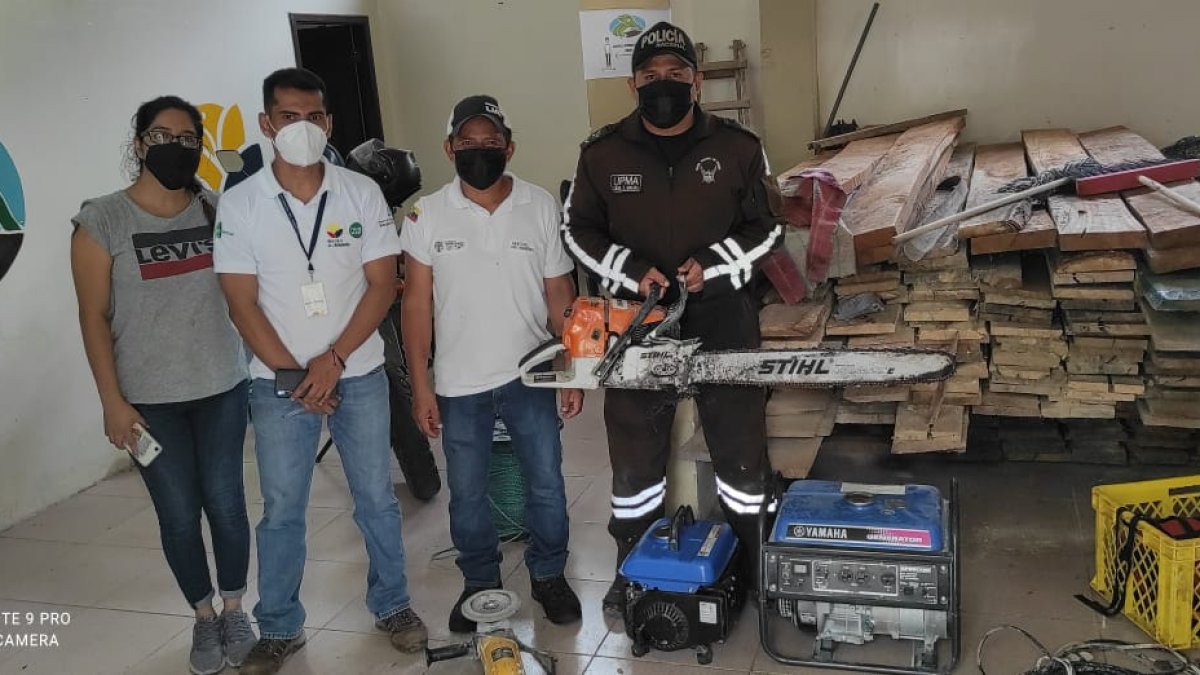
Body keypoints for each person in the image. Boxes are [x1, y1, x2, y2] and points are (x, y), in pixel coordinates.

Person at [560, 22, 786, 615]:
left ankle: (754, 565)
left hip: (723, 316)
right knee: (635, 458)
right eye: (652, 75)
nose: (664, 84)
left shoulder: (739, 147)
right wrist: (632, 270)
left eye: (676, 73)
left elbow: (768, 228)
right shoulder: (602, 153)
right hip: (636, 322)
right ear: (633, 83)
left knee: (741, 451)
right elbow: (577, 231)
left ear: (697, 81)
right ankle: (632, 565)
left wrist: (715, 264)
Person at [212, 67, 427, 674]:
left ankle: (393, 605)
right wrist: (294, 378)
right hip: (277, 384)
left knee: (377, 500)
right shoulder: (241, 203)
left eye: (313, 117)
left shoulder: (361, 193)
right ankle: (280, 625)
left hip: (357, 372)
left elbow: (382, 285)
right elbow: (240, 302)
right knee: (282, 508)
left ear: (328, 123)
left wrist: (332, 362)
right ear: (266, 124)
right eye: (288, 116)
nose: (301, 127)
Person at [70, 95, 256, 674]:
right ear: (139, 144)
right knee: (177, 514)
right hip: (149, 405)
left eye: (187, 138)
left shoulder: (216, 209)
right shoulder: (102, 220)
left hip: (222, 387)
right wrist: (111, 401)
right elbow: (93, 317)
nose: (176, 147)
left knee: (226, 504)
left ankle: (234, 609)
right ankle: (203, 616)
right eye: (161, 136)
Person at [400, 95, 584, 632]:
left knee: (545, 483)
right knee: (467, 493)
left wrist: (573, 368)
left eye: (491, 142)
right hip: (459, 383)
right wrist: (421, 386)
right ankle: (480, 583)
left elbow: (559, 293)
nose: (479, 150)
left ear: (509, 147)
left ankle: (548, 575)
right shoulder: (426, 214)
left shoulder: (539, 205)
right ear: (448, 148)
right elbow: (416, 305)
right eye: (468, 142)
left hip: (532, 374)